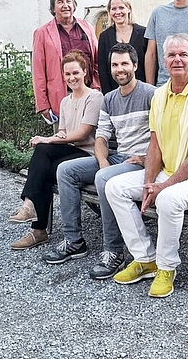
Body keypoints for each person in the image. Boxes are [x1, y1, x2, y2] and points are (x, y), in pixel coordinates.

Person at [106, 33, 188, 298]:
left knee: (168, 200)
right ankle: (145, 259)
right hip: (170, 172)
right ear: (164, 61)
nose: (177, 60)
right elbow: (155, 144)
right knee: (115, 187)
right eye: (172, 55)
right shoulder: (160, 95)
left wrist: (162, 187)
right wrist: (150, 182)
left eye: (183, 55)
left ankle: (166, 267)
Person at [43, 43, 156, 279]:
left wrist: (147, 158)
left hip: (140, 161)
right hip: (118, 158)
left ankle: (113, 251)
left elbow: (164, 135)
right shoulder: (110, 99)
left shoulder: (150, 94)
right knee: (66, 170)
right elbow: (102, 137)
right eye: (115, 65)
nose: (120, 69)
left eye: (125, 63)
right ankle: (74, 240)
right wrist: (103, 161)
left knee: (104, 178)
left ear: (135, 65)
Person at [9, 51, 103, 250]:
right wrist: (56, 137)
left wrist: (48, 139)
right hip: (69, 152)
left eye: (76, 72)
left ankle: (35, 221)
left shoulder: (95, 97)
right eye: (67, 74)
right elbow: (63, 132)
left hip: (87, 156)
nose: (72, 78)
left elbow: (83, 134)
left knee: (43, 157)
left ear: (85, 72)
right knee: (43, 161)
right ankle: (34, 219)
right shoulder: (65, 101)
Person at [32, 0, 99, 125]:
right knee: (64, 141)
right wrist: (42, 104)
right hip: (61, 97)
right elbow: (38, 70)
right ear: (53, 8)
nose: (65, 5)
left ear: (74, 5)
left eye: (69, 1)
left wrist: (96, 88)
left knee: (91, 142)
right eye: (60, 2)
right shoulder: (42, 33)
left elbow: (96, 61)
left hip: (88, 94)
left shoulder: (87, 28)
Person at [96, 0, 148, 94]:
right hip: (115, 94)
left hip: (141, 93)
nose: (117, 12)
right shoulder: (104, 37)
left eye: (121, 7)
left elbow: (148, 65)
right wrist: (108, 96)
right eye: (113, 9)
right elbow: (103, 71)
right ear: (109, 11)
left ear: (128, 9)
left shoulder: (143, 33)